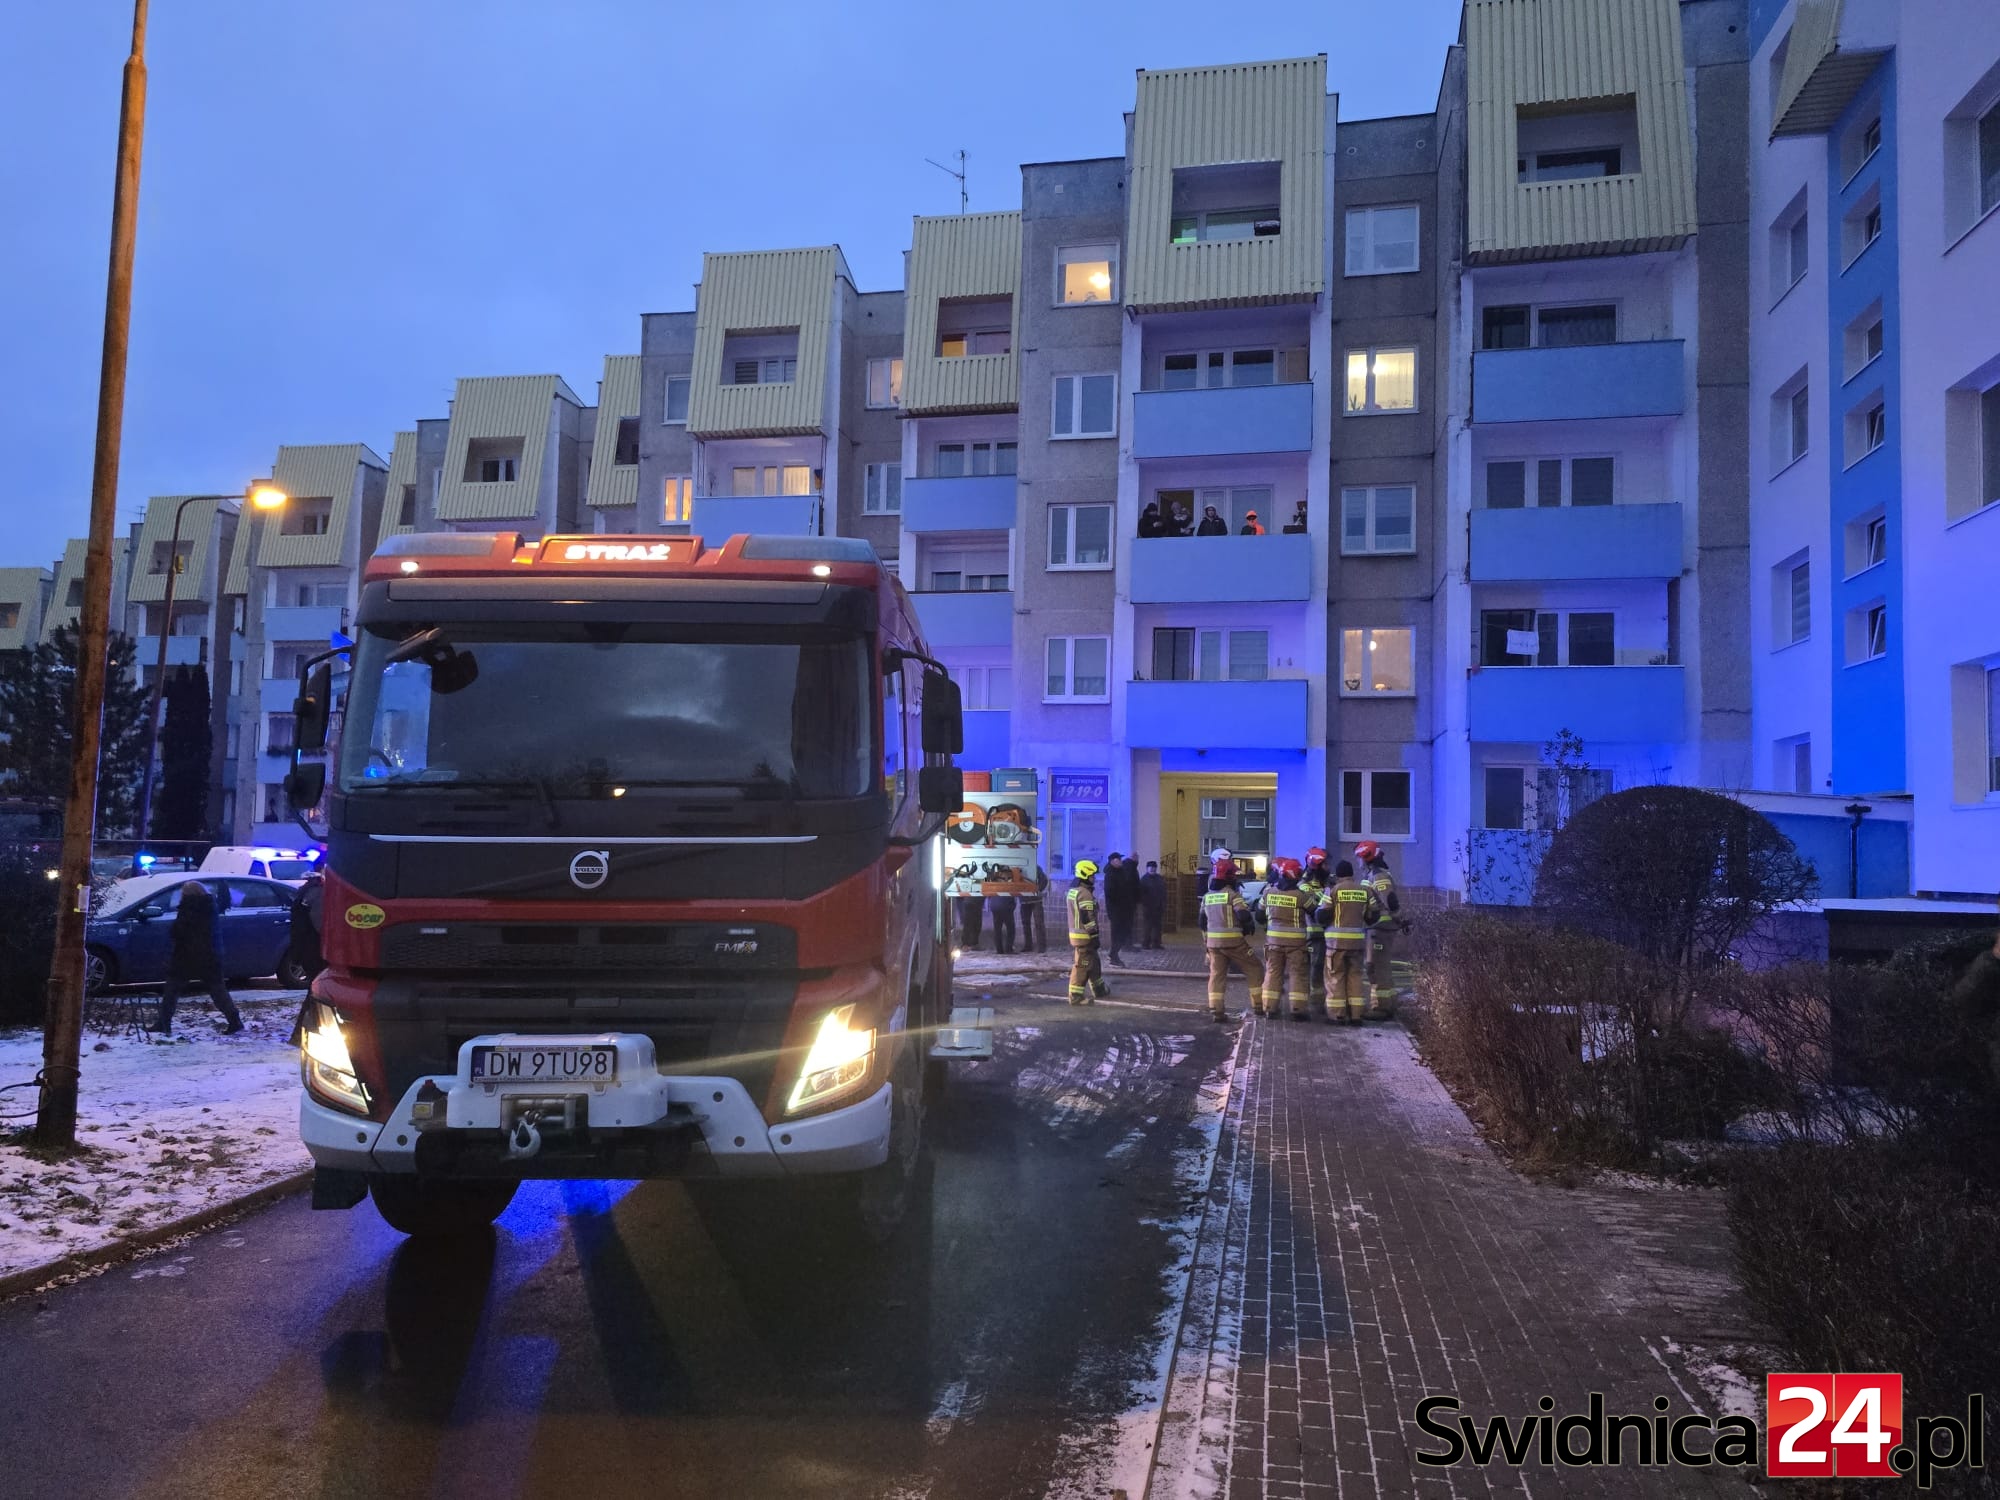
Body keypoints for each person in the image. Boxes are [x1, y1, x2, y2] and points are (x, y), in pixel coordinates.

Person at [150, 880, 243, 1036]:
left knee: (172, 990)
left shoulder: (190, 907)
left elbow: (181, 931)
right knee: (217, 990)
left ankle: (164, 1022)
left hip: (189, 955)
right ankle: (234, 1020)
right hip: (209, 955)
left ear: (188, 894)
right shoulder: (208, 905)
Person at [1315, 860, 1382, 1024]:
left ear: (1338, 875)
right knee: (1355, 977)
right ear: (1351, 874)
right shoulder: (1365, 890)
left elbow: (1321, 915)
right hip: (1357, 943)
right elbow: (1374, 916)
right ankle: (1356, 1014)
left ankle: (1337, 1014)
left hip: (1336, 944)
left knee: (1335, 977)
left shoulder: (1333, 890)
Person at [1199, 857, 1259, 1023]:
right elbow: (1243, 915)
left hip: (1213, 944)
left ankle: (1216, 1010)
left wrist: (1206, 944)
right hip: (1234, 943)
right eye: (1233, 875)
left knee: (1217, 975)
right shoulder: (1232, 895)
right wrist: (1247, 923)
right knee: (1254, 968)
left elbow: (1202, 922)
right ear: (1228, 877)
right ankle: (1260, 1005)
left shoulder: (1207, 896)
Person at [1258, 857, 1312, 1019]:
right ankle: (1297, 1010)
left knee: (1273, 973)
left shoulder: (1268, 893)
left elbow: (1260, 915)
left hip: (1273, 943)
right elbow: (1316, 912)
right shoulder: (1300, 896)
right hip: (1296, 945)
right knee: (1297, 974)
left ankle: (1269, 1008)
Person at [1356, 840, 1404, 1019]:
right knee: (1379, 966)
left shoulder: (1378, 876)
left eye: (1359, 858)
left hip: (1380, 928)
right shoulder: (1373, 874)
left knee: (1375, 967)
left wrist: (1398, 918)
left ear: (1367, 858)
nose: (1358, 862)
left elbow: (1390, 900)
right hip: (1377, 928)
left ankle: (1381, 1008)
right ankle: (1389, 1004)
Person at [1066, 861, 1110, 1004]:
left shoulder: (1074, 891)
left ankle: (1099, 989)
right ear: (1085, 875)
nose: (1094, 878)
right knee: (1083, 965)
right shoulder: (1085, 894)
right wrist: (1094, 935)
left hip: (1078, 934)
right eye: (1092, 875)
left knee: (1094, 962)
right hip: (1084, 936)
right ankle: (1075, 996)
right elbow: (1087, 918)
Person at [1300, 846, 1331, 1004]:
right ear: (1317, 866)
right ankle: (1315, 1003)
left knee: (1321, 969)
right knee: (1315, 969)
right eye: (1325, 865)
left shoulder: (1324, 884)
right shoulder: (1306, 887)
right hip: (1314, 935)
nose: (1328, 868)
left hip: (1324, 935)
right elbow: (1317, 910)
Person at [287, 872, 326, 986]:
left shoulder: (304, 891)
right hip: (313, 941)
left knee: (312, 976)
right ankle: (313, 1002)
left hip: (303, 939)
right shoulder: (317, 892)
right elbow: (318, 919)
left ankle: (311, 1002)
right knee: (317, 977)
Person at [1104, 852, 1140, 967]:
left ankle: (1114, 954)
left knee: (1124, 932)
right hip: (1116, 910)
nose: (1120, 861)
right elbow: (1111, 892)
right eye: (1118, 859)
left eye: (1120, 859)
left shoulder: (1121, 872)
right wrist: (1122, 898)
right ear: (1112, 861)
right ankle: (1113, 955)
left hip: (1125, 908)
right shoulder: (1110, 874)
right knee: (1118, 933)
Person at [1138, 860, 1167, 949]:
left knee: (1158, 926)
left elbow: (1163, 892)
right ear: (1147, 868)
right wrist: (1144, 903)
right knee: (1148, 926)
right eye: (1150, 867)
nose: (1152, 869)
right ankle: (1146, 943)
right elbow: (1141, 893)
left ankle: (1156, 943)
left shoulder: (1159, 878)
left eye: (1154, 867)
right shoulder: (1144, 879)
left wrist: (1163, 903)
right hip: (1148, 906)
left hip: (1158, 906)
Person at [1023, 864, 1049, 952]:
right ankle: (1028, 946)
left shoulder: (1035, 867)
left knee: (1039, 924)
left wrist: (1038, 889)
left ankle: (1041, 947)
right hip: (1024, 900)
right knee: (1026, 924)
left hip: (1035, 900)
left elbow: (1044, 880)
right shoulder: (1019, 867)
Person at [988, 889, 1017, 955]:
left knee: (997, 929)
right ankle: (1009, 949)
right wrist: (1012, 906)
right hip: (1006, 905)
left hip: (995, 906)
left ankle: (999, 949)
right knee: (1011, 929)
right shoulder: (1008, 882)